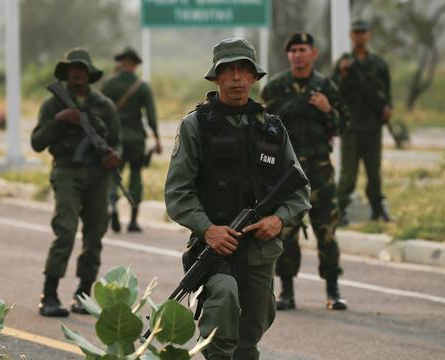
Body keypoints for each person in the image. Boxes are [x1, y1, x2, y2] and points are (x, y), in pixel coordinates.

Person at [165, 38, 311, 359]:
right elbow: (178, 192)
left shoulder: (272, 128)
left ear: (254, 77)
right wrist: (208, 229)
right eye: (228, 71)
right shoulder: (196, 126)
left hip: (260, 251)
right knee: (222, 309)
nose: (236, 78)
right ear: (215, 77)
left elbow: (299, 189)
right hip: (216, 248)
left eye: (243, 70)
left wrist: (278, 219)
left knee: (249, 337)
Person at [261, 32, 350, 311]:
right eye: (293, 50)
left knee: (327, 231)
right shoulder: (275, 87)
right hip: (286, 174)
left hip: (320, 172)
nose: (298, 54)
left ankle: (333, 291)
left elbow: (342, 126)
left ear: (313, 53)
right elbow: (262, 128)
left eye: (303, 49)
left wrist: (327, 110)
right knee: (286, 232)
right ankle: (286, 292)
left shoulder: (326, 86)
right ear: (289, 55)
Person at [31, 48, 121, 317]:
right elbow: (37, 143)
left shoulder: (104, 105)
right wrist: (58, 121)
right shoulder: (53, 103)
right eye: (73, 69)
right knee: (66, 231)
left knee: (95, 234)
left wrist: (114, 157)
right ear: (67, 72)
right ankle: (49, 295)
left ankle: (82, 294)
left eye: (83, 69)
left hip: (98, 175)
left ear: (89, 73)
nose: (78, 73)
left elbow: (117, 143)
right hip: (67, 171)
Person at [332, 19, 393, 224]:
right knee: (349, 174)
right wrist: (342, 73)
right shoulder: (344, 63)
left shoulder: (378, 63)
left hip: (373, 126)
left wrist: (387, 108)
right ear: (351, 35)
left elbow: (387, 92)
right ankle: (339, 211)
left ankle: (377, 209)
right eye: (356, 32)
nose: (360, 36)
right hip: (351, 127)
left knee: (374, 172)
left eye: (363, 32)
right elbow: (333, 92)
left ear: (368, 35)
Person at [101, 46, 161, 233]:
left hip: (113, 139)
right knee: (135, 176)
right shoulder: (142, 87)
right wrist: (157, 138)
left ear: (120, 62)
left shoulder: (109, 84)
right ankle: (133, 221)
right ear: (135, 65)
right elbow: (150, 115)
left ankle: (113, 207)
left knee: (114, 175)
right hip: (136, 139)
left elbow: (99, 111)